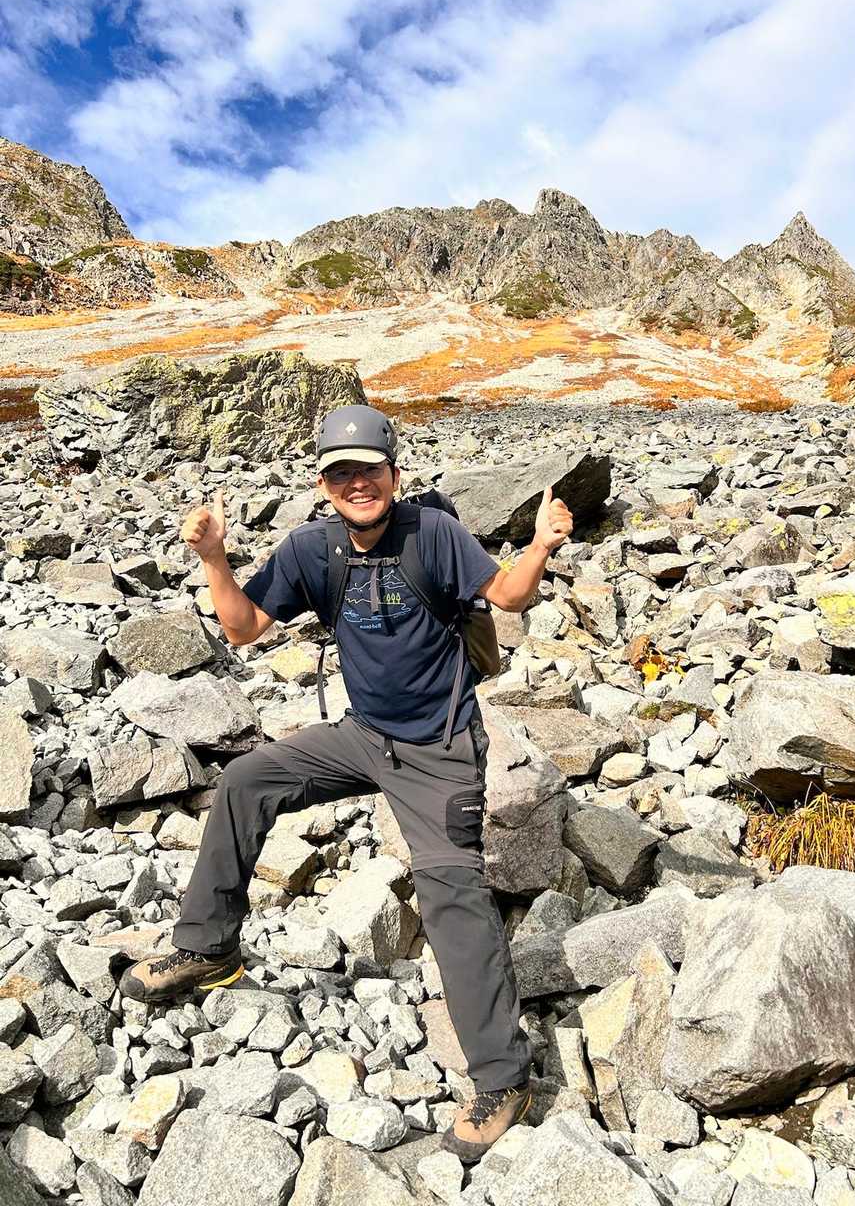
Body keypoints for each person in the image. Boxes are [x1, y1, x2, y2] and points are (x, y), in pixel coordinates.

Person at [120, 404, 574, 1162]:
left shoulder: (433, 533)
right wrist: (215, 558)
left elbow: (507, 595)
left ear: (394, 472)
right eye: (341, 473)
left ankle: (504, 1078)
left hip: (438, 748)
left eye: (370, 470)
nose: (357, 484)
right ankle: (207, 949)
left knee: (451, 894)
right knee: (246, 782)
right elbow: (243, 629)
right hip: (363, 736)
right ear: (323, 483)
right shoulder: (314, 547)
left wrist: (540, 546)